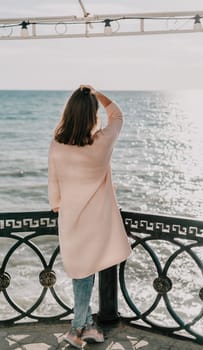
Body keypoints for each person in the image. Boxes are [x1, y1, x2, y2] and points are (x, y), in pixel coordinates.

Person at [48, 85, 132, 349]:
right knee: (85, 272)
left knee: (81, 272)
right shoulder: (101, 143)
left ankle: (82, 326)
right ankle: (80, 328)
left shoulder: (57, 146)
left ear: (69, 112)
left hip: (71, 218)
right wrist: (100, 96)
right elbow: (118, 117)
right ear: (92, 115)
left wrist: (57, 204)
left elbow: (53, 185)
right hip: (97, 220)